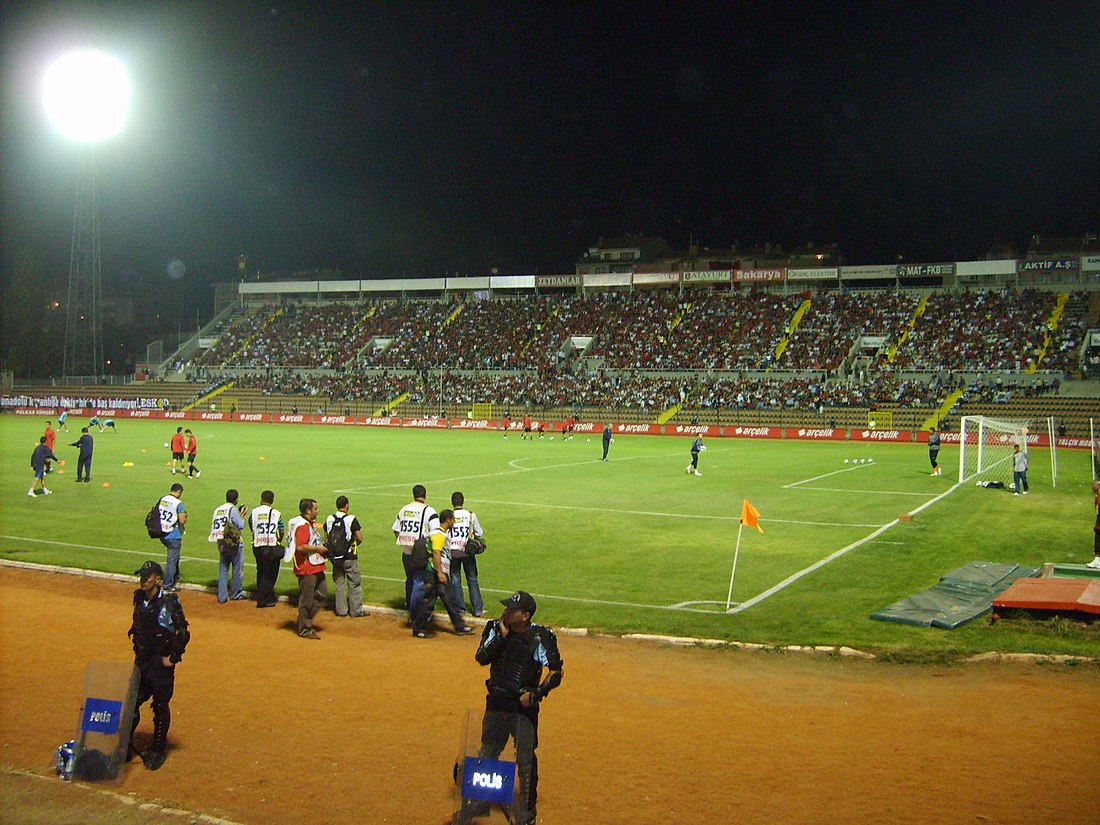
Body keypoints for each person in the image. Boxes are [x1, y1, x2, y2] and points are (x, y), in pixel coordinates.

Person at [474, 591, 563, 825]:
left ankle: (526, 811)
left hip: (523, 708)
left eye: (511, 610)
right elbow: (482, 657)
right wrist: (501, 638)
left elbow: (555, 672)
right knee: (489, 751)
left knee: (525, 760)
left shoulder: (540, 637)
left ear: (525, 616)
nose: (506, 612)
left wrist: (536, 694)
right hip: (496, 701)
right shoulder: (495, 628)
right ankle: (481, 800)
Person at [127, 560, 190, 771]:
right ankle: (125, 745)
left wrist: (173, 658)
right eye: (142, 576)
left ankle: (158, 748)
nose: (143, 580)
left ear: (158, 580)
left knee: (160, 706)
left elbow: (182, 632)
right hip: (142, 661)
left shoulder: (169, 602)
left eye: (148, 577)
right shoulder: (139, 599)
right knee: (132, 703)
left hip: (160, 664)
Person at [410, 508, 472, 638]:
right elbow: (436, 553)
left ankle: (459, 626)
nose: (454, 521)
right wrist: (440, 573)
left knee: (449, 599)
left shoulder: (440, 533)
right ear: (448, 520)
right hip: (434, 573)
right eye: (453, 519)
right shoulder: (439, 535)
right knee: (428, 602)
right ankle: (419, 629)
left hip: (439, 572)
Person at [393, 484, 438, 613]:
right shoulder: (429, 511)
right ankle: (415, 613)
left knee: (410, 580)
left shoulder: (404, 509)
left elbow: (396, 530)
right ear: (425, 495)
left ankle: (409, 605)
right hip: (421, 554)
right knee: (420, 582)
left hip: (406, 552)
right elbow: (435, 534)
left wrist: (404, 542)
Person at [287, 498, 327, 639]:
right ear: (308, 510)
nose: (318, 511)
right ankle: (304, 628)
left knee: (322, 594)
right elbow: (300, 546)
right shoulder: (303, 526)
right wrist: (318, 549)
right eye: (315, 508)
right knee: (307, 599)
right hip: (307, 567)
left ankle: (304, 620)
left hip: (316, 565)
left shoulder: (308, 523)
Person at [325, 495, 369, 618]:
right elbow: (360, 537)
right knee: (354, 583)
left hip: (335, 558)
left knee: (339, 584)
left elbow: (327, 537)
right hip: (349, 557)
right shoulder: (351, 519)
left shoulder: (329, 519)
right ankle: (356, 611)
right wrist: (353, 545)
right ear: (347, 506)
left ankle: (341, 610)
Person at [449, 491, 485, 617]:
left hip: (452, 551)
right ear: (463, 501)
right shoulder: (470, 515)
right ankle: (477, 609)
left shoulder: (449, 516)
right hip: (467, 551)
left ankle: (459, 609)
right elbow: (479, 533)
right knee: (472, 579)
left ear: (452, 502)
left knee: (455, 579)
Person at [209, 489, 247, 603]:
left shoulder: (218, 509)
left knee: (223, 568)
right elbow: (240, 525)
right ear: (236, 500)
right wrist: (242, 515)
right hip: (233, 543)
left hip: (221, 541)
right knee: (237, 568)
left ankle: (222, 596)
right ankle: (235, 594)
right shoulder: (233, 509)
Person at [249, 490, 285, 608]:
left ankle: (263, 594)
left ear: (261, 499)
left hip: (257, 545)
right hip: (270, 546)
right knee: (270, 574)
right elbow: (281, 529)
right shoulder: (276, 513)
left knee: (261, 570)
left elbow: (251, 525)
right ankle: (263, 598)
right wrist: (278, 540)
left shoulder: (253, 513)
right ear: (272, 501)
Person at [156, 483, 187, 591]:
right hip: (173, 534)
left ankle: (175, 577)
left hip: (161, 533)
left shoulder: (162, 499)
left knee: (175, 557)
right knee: (172, 560)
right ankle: (167, 584)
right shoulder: (178, 503)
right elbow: (182, 520)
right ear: (179, 492)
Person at [1090, 480, 1100, 569]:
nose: (1092, 487)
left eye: (1093, 485)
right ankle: (1097, 559)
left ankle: (1097, 560)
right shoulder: (1097, 497)